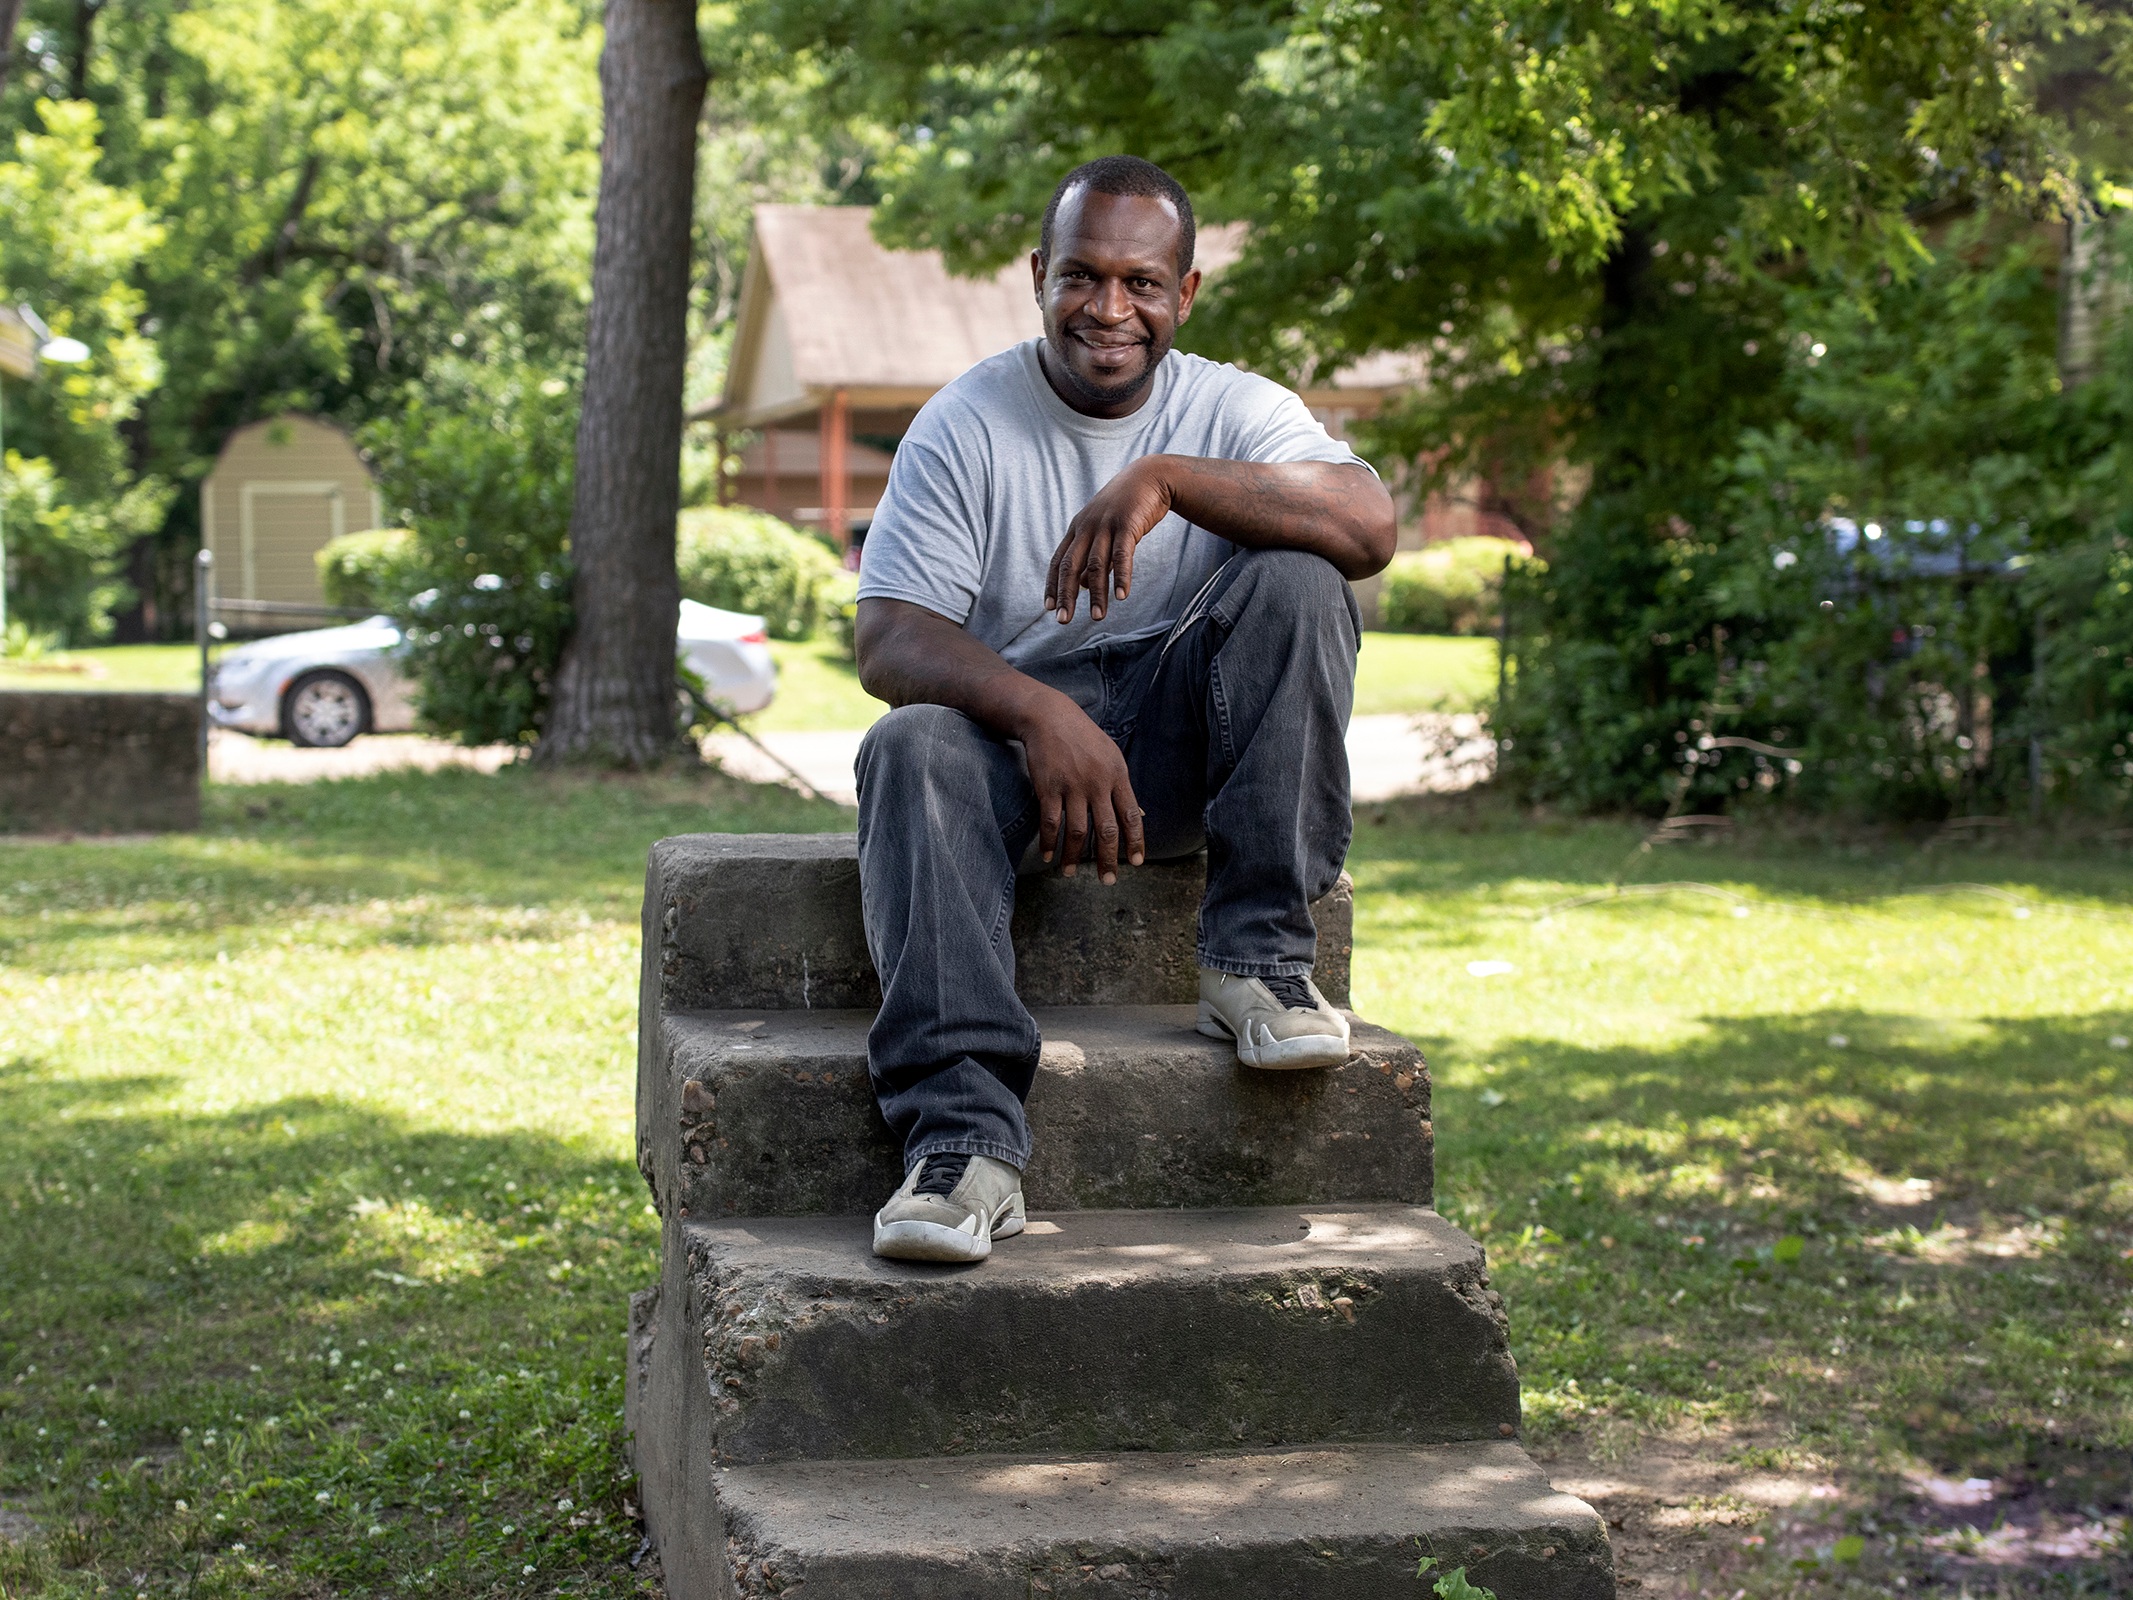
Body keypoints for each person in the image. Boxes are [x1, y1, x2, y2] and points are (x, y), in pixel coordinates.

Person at [853, 155, 1397, 1263]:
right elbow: (890, 634)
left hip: (1188, 738)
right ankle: (966, 1148)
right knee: (908, 744)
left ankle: (1255, 962)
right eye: (1084, 277)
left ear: (1185, 293)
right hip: (1024, 763)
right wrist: (1037, 714)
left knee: (1301, 576)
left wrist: (1168, 479)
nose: (1111, 310)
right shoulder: (966, 423)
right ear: (1040, 274)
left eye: (1143, 284)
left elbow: (1366, 524)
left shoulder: (1235, 408)